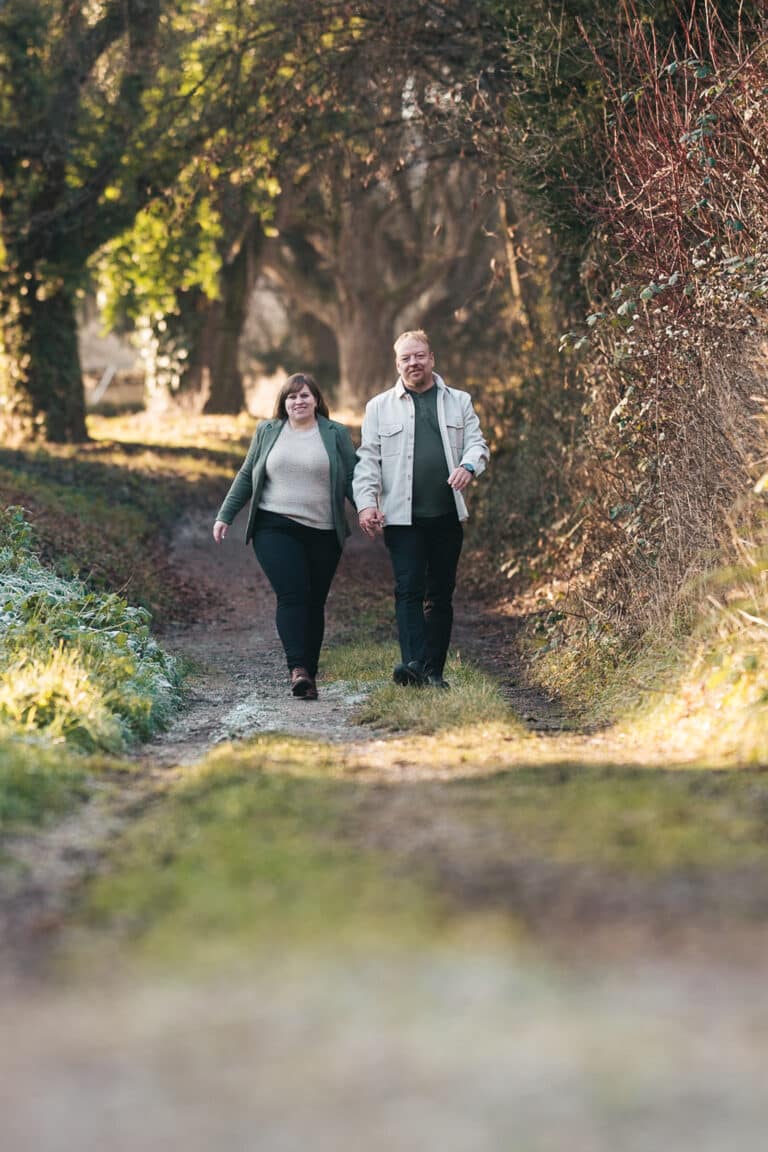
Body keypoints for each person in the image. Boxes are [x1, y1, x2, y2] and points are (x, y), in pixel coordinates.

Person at [353, 329, 489, 689]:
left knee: (440, 595)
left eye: (419, 356)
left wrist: (468, 466)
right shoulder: (379, 407)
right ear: (397, 364)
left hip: (446, 515)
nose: (413, 363)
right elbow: (368, 460)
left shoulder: (458, 401)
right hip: (401, 518)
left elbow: (477, 444)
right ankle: (413, 665)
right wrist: (367, 504)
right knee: (408, 590)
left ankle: (434, 671)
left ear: (432, 358)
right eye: (405, 358)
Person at [213, 373, 357, 701]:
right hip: (274, 526)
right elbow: (248, 474)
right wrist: (225, 515)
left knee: (315, 601)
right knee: (293, 594)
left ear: (317, 400)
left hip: (324, 530)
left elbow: (351, 477)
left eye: (305, 396)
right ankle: (298, 670)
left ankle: (310, 672)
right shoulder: (267, 431)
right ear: (284, 402)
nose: (298, 401)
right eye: (292, 397)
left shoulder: (335, 434)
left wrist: (366, 510)